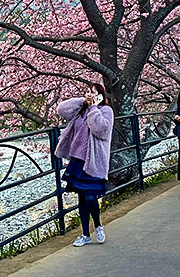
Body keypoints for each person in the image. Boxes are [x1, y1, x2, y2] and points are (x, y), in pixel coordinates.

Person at [55, 83, 114, 246]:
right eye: (88, 91)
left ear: (101, 96)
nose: (90, 94)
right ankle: (85, 234)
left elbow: (100, 130)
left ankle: (98, 226)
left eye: (93, 92)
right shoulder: (80, 110)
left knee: (90, 196)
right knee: (81, 198)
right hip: (77, 160)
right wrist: (83, 101)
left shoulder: (105, 111)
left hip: (93, 160)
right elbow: (61, 110)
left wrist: (94, 107)